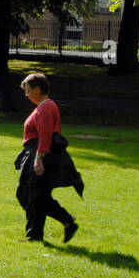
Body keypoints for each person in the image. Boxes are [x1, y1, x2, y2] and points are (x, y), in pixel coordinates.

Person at [16, 72, 83, 243]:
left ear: (38, 89)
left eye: (28, 91)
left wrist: (39, 158)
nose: (26, 95)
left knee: (32, 195)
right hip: (36, 152)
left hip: (40, 153)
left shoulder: (45, 107)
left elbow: (45, 134)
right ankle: (67, 221)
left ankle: (34, 236)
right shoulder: (45, 106)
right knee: (33, 195)